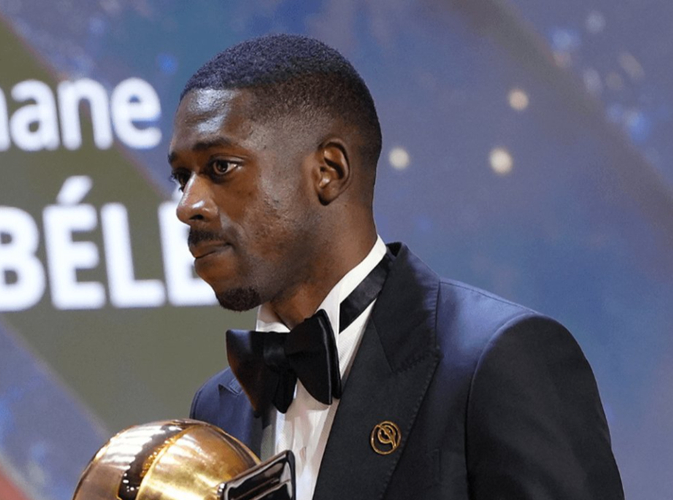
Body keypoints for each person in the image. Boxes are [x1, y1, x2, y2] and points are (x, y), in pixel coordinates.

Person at [168, 34, 624, 500]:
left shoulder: (497, 360)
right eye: (181, 177)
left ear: (328, 171)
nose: (187, 206)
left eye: (220, 167)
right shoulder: (218, 406)